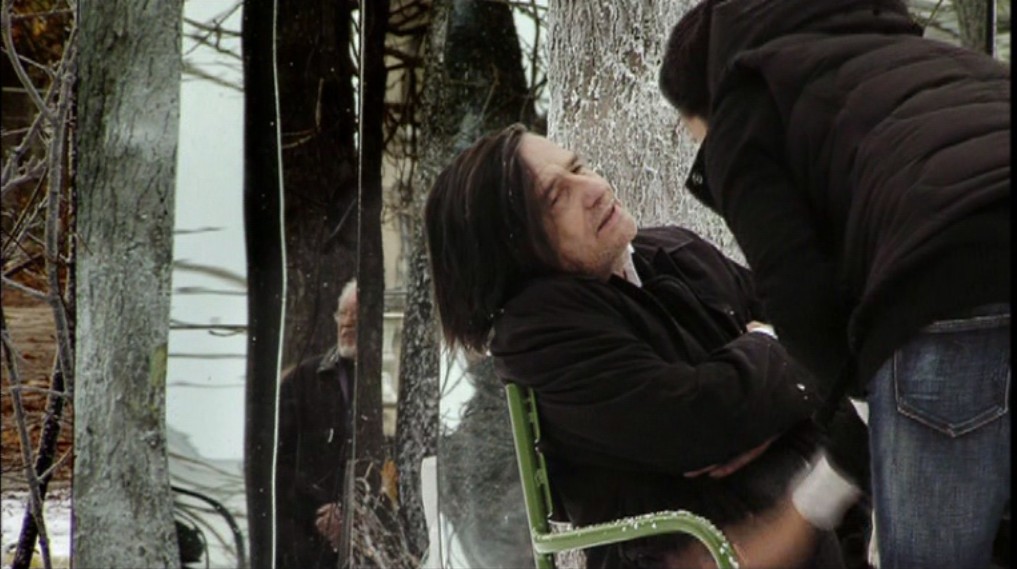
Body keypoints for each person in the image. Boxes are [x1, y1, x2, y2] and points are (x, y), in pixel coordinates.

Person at [658, 1, 1010, 568]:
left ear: (703, 105)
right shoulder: (941, 63)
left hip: (952, 283)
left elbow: (802, 304)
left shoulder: (747, 105)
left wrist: (867, 424)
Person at [424, 124, 865, 569]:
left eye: (579, 167)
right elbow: (704, 422)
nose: (595, 188)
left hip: (831, 525)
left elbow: (831, 345)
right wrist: (771, 345)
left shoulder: (675, 249)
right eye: (556, 198)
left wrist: (768, 392)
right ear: (513, 251)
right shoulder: (536, 330)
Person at [275, 278, 357, 569]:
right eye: (343, 313)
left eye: (356, 315)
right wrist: (321, 510)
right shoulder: (303, 381)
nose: (347, 323)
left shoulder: (388, 383)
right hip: (310, 541)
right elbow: (281, 463)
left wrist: (353, 515)